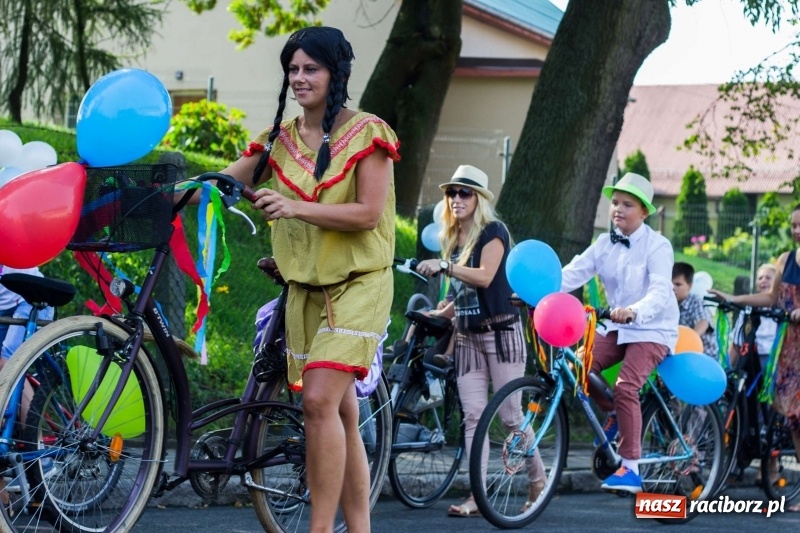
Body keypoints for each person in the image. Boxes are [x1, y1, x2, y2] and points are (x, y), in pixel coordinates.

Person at [179, 26, 399, 532]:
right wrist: (155, 195)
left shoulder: (370, 133)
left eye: (310, 69)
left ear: (335, 73)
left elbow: (368, 214)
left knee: (319, 400)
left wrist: (296, 206)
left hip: (360, 284)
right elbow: (217, 185)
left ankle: (319, 530)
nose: (299, 78)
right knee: (340, 414)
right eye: (293, 70)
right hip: (305, 290)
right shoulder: (279, 141)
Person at [415, 164, 545, 517]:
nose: (456, 198)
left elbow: (486, 278)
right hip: (469, 337)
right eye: (452, 192)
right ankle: (478, 495)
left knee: (510, 417)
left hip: (502, 333)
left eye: (465, 192)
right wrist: (442, 314)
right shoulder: (453, 237)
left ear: (480, 199)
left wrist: (444, 267)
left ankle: (538, 479)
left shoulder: (494, 231)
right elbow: (464, 292)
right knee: (473, 417)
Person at [560, 172, 679, 493]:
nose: (618, 209)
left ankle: (631, 467)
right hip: (618, 325)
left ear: (644, 212)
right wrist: (536, 290)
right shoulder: (603, 244)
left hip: (652, 327)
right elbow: (573, 273)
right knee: (579, 365)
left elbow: (660, 290)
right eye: (615, 203)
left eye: (628, 204)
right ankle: (613, 413)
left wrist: (636, 310)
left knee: (627, 386)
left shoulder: (658, 246)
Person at [710, 206, 800, 512]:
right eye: (794, 226)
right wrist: (735, 300)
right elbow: (773, 299)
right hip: (787, 350)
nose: (797, 231)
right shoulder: (786, 260)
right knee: (792, 418)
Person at [727, 263, 779, 370]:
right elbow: (737, 342)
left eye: (768, 277)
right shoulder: (748, 309)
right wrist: (726, 368)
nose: (763, 280)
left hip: (775, 357)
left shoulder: (782, 308)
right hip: (750, 356)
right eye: (760, 278)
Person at [672, 261, 718, 358]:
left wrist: (689, 340)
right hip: (679, 353)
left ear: (689, 285)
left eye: (678, 284)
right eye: (670, 283)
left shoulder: (696, 301)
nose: (673, 288)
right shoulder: (669, 303)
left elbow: (703, 322)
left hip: (702, 357)